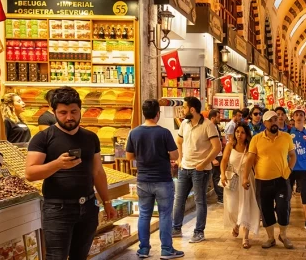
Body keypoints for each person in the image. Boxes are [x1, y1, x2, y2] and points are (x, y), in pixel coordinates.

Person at [25, 86, 116, 260]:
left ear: (80, 110)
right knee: (56, 257)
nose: (69, 117)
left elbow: (98, 172)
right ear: (54, 112)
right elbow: (30, 173)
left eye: (74, 111)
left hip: (88, 207)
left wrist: (107, 202)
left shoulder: (91, 137)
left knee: (80, 256)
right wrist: (57, 164)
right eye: (63, 112)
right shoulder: (43, 138)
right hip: (57, 209)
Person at [125, 100, 183, 259]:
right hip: (163, 179)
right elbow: (175, 155)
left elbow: (129, 156)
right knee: (165, 214)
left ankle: (143, 249)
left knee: (144, 215)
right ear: (158, 113)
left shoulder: (134, 132)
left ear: (144, 113)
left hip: (143, 179)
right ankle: (166, 250)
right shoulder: (164, 133)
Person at [242, 110, 296, 249]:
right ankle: (271, 238)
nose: (274, 123)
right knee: (266, 210)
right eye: (270, 120)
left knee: (283, 207)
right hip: (262, 181)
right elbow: (250, 160)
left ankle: (283, 235)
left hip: (281, 180)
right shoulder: (257, 139)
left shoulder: (286, 137)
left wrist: (288, 170)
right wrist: (245, 177)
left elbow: (293, 156)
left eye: (275, 119)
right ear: (264, 123)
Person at [172, 97, 222, 243]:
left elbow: (217, 147)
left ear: (192, 109)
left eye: (185, 107)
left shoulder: (208, 125)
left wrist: (204, 163)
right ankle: (176, 228)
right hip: (184, 168)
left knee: (199, 201)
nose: (183, 110)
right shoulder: (184, 124)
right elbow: (179, 141)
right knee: (179, 199)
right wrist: (180, 158)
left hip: (201, 170)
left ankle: (199, 232)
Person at [220, 123, 259, 249]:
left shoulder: (250, 147)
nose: (239, 134)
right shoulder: (230, 146)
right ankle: (236, 224)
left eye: (242, 132)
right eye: (237, 131)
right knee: (232, 207)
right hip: (233, 178)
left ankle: (245, 237)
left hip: (246, 179)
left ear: (246, 134)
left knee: (246, 206)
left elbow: (255, 164)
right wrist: (222, 175)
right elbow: (224, 161)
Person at [289, 108, 306, 232]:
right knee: (287, 193)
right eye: (297, 115)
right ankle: (285, 216)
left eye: (301, 115)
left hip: (303, 168)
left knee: (305, 193)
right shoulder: (288, 133)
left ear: (305, 118)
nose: (299, 117)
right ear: (293, 117)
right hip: (289, 168)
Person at [208, 110, 226, 204]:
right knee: (216, 177)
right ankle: (220, 197)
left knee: (220, 175)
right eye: (218, 117)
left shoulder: (216, 127)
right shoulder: (209, 128)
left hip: (219, 155)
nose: (220, 119)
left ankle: (222, 195)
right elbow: (209, 145)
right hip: (214, 156)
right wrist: (213, 159)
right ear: (212, 118)